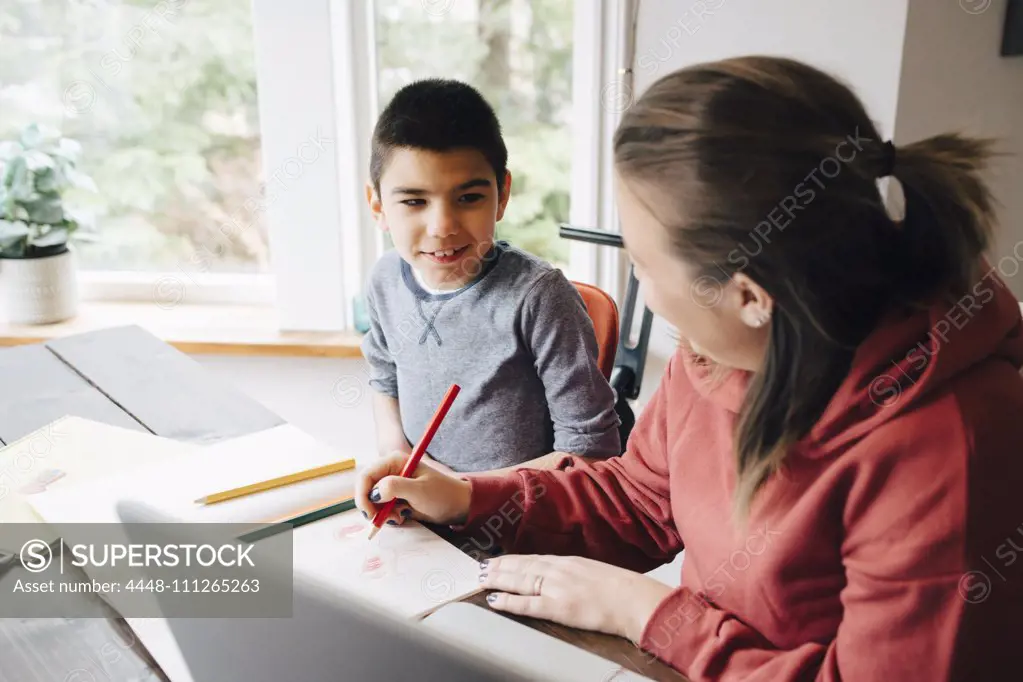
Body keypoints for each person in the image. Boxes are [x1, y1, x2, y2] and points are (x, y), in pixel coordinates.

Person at [355, 56, 1023, 681]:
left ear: (747, 296)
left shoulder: (952, 446)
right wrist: (470, 497)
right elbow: (640, 503)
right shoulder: (717, 353)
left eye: (641, 264)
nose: (636, 284)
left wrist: (647, 613)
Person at [360, 78, 621, 475]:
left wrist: (462, 493)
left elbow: (590, 454)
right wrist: (398, 460)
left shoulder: (540, 297)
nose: (442, 226)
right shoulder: (384, 281)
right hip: (424, 514)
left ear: (502, 194)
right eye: (414, 201)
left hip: (517, 526)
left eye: (468, 198)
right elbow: (384, 382)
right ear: (377, 205)